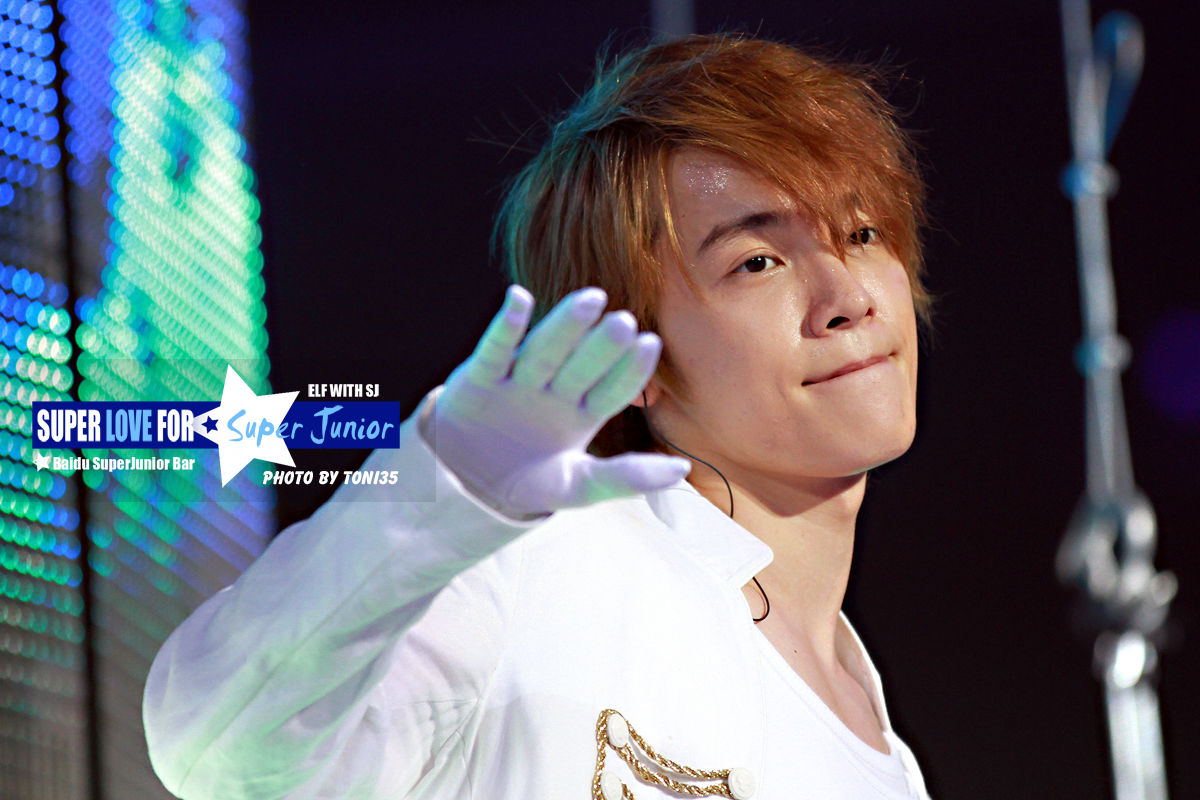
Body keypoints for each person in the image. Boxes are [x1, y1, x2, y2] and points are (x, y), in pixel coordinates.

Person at [144, 33, 934, 800]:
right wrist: (447, 489)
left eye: (860, 234)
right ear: (630, 347)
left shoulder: (887, 760)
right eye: (756, 262)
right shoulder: (534, 563)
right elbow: (221, 748)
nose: (848, 297)